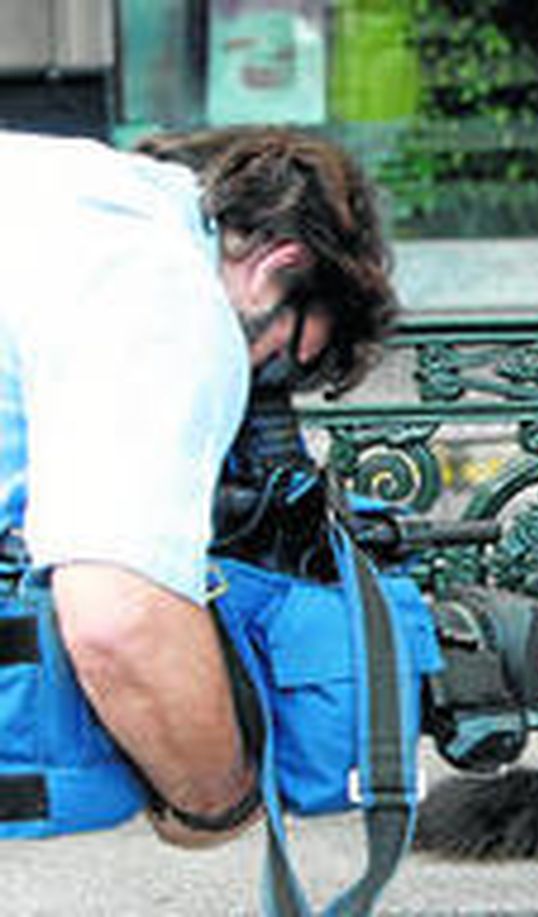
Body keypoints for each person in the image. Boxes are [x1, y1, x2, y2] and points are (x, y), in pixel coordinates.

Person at [0, 126, 395, 849]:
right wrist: (216, 799)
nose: (253, 389)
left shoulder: (63, 183)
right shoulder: (163, 290)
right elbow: (120, 616)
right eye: (277, 363)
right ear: (279, 263)